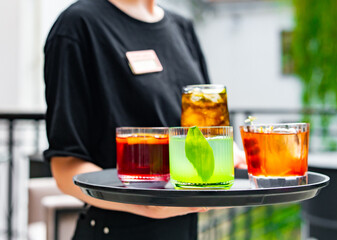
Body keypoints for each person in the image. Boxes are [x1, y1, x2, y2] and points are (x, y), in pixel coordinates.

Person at [44, 0, 245, 239]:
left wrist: (228, 153)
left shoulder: (182, 28)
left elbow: (201, 130)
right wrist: (147, 204)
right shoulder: (78, 25)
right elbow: (65, 169)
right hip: (115, 232)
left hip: (183, 230)